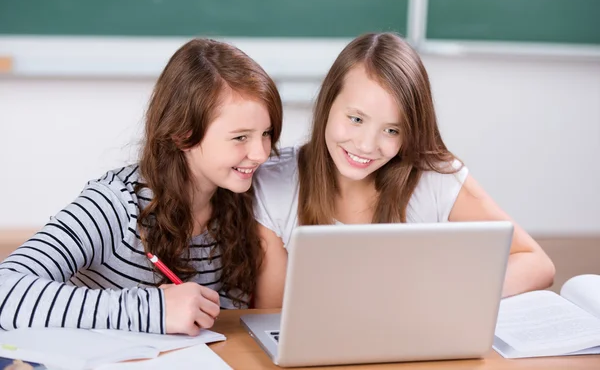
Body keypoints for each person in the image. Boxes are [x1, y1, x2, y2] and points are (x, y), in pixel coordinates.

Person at [0, 38, 283, 335]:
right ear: (183, 134)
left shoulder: (242, 199)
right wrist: (154, 310)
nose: (261, 153)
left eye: (266, 133)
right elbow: (5, 293)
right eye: (240, 137)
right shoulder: (114, 204)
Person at [252, 32, 555, 308]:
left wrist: (454, 297)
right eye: (356, 119)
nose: (367, 146)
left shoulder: (435, 177)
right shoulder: (276, 183)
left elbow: (536, 263)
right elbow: (270, 316)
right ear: (327, 104)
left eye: (392, 131)